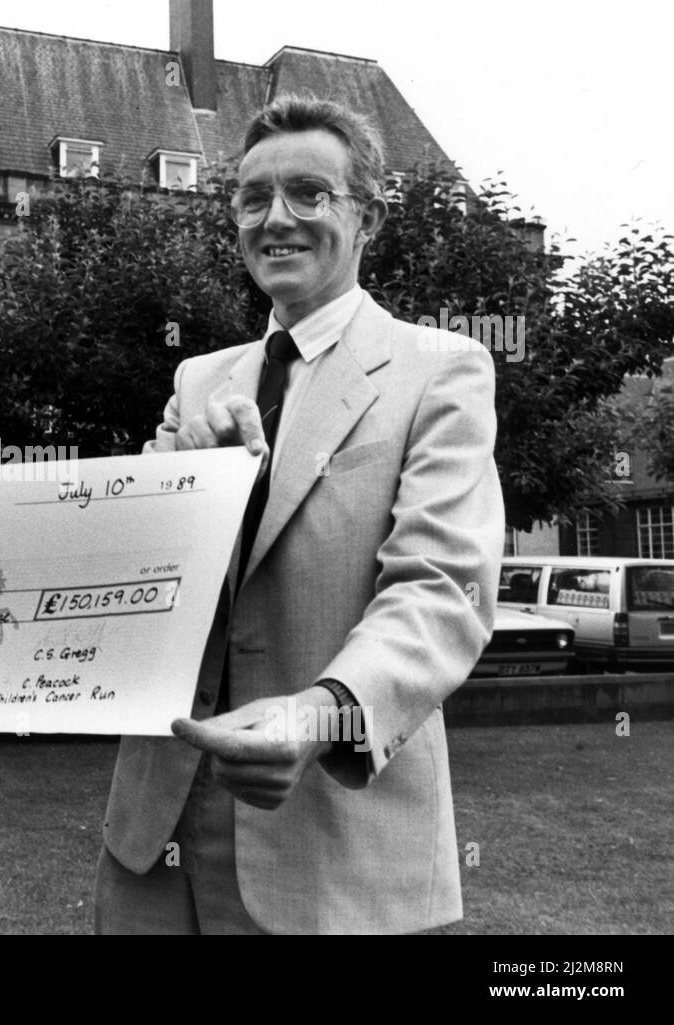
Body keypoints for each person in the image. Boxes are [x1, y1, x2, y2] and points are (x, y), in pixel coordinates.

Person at [96, 95, 505, 934]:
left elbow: (441, 592)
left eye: (310, 193)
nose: (276, 218)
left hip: (330, 842)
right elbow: (123, 574)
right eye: (253, 200)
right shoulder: (199, 381)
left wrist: (320, 714)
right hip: (153, 841)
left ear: (370, 219)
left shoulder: (441, 370)